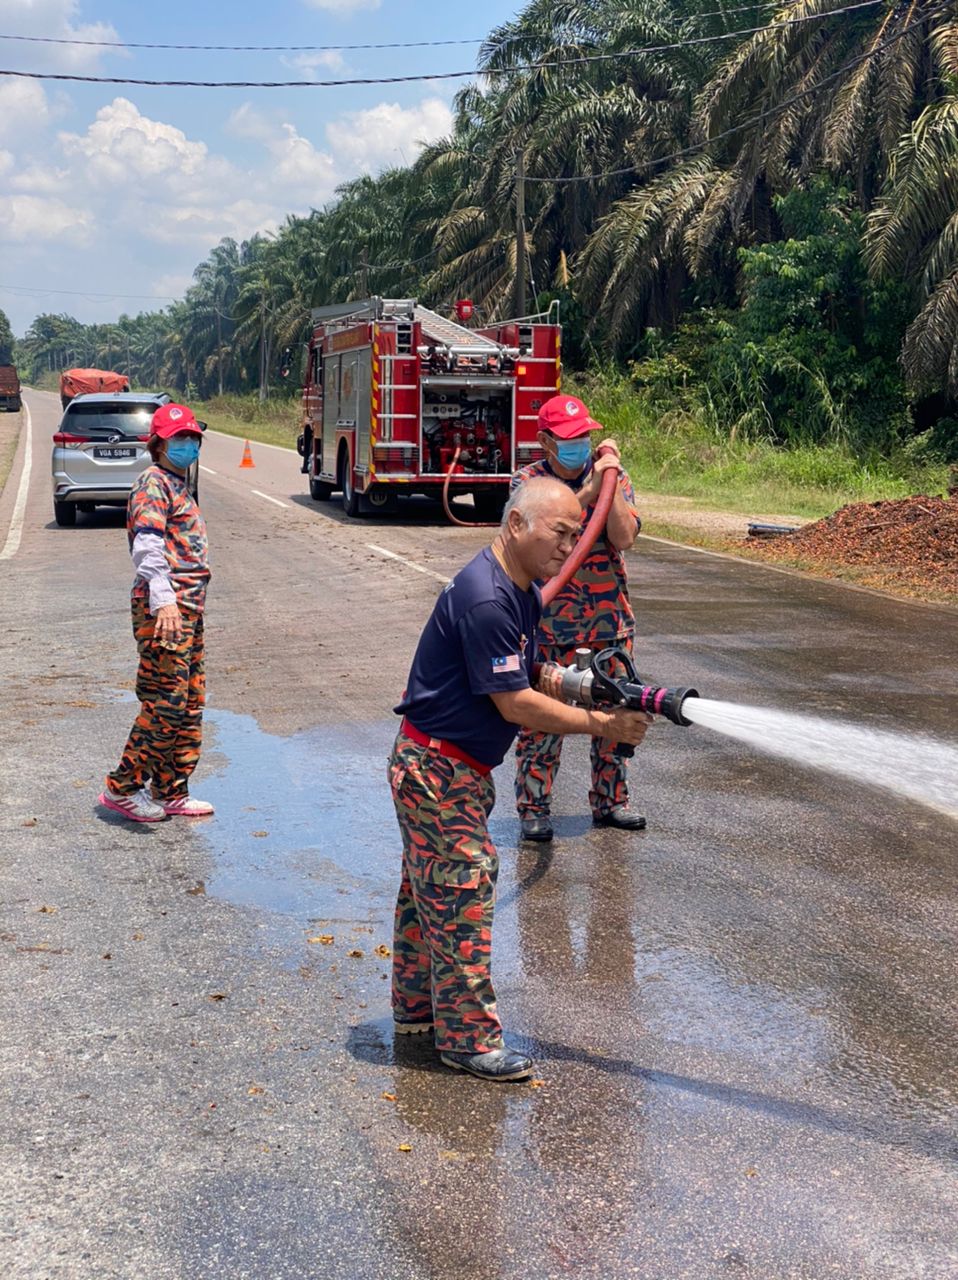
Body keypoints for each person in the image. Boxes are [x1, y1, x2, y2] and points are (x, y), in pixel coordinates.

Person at [389, 477, 651, 1082]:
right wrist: (600, 722)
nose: (570, 547)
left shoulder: (518, 589)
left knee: (426, 890)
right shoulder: (487, 598)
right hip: (437, 771)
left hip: (447, 766)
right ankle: (469, 1040)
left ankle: (416, 1008)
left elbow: (526, 665)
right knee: (463, 892)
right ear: (515, 526)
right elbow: (514, 704)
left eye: (575, 533)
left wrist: (578, 682)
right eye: (559, 533)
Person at [510, 394, 643, 844]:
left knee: (615, 716)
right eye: (568, 440)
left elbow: (623, 538)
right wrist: (588, 494)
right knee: (544, 722)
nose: (579, 446)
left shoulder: (609, 477)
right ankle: (533, 809)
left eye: (584, 436)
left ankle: (611, 801)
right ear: (545, 442)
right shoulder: (529, 484)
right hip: (549, 627)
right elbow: (534, 537)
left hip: (609, 624)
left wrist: (610, 479)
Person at [98, 403, 213, 824]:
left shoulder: (177, 482)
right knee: (165, 701)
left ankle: (170, 789)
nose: (189, 445)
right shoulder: (153, 482)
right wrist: (163, 599)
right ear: (159, 444)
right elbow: (147, 544)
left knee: (190, 701)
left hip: (188, 608)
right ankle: (122, 788)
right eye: (180, 438)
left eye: (193, 438)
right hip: (165, 609)